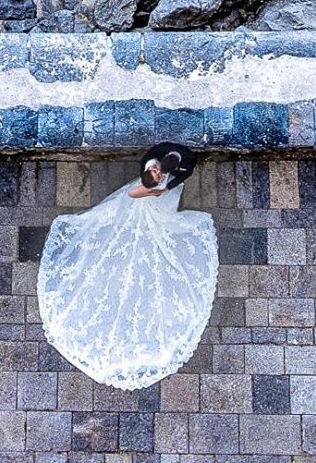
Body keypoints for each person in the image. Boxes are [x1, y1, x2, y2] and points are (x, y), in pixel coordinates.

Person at [36, 143, 218, 389]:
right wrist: (154, 192)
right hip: (148, 202)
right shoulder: (148, 178)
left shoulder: (159, 165)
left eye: (157, 175)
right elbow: (133, 194)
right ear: (151, 175)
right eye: (156, 176)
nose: (159, 175)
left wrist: (164, 188)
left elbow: (177, 171)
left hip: (157, 197)